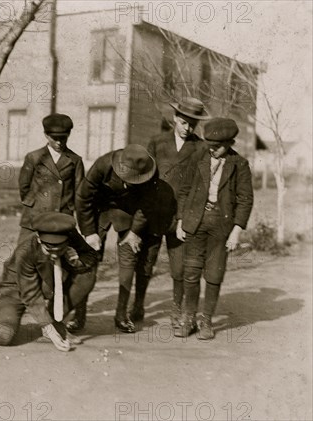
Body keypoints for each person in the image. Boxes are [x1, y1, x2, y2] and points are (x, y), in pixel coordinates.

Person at [75, 144, 176, 333]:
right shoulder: (103, 165)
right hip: (100, 209)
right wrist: (89, 233)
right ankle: (79, 315)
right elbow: (83, 197)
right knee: (89, 258)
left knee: (129, 259)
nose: (132, 182)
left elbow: (147, 205)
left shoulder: (150, 171)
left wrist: (135, 232)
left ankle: (121, 314)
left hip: (130, 212)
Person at [175, 118, 254, 340]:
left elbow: (245, 199)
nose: (212, 149)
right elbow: (184, 190)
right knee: (190, 272)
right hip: (194, 221)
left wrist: (237, 230)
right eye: (209, 144)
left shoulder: (240, 164)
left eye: (217, 146)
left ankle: (206, 321)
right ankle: (188, 319)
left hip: (221, 224)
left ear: (230, 143)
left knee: (214, 273)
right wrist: (181, 220)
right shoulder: (197, 158)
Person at [0, 212, 98, 352]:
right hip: (16, 289)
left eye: (59, 250)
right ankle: (6, 315)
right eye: (49, 250)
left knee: (87, 275)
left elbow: (90, 256)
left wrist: (77, 262)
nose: (54, 255)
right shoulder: (26, 250)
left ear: (67, 240)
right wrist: (49, 330)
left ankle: (54, 320)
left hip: (48, 284)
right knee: (2, 336)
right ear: (39, 240)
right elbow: (30, 294)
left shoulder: (71, 236)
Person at [147, 97, 208, 327]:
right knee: (146, 262)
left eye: (193, 124)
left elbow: (199, 185)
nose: (188, 128)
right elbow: (146, 176)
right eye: (183, 123)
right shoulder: (157, 142)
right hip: (154, 213)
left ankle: (177, 309)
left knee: (179, 267)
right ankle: (136, 306)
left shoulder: (201, 147)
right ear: (175, 119)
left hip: (181, 216)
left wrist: (185, 217)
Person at [17, 113, 84, 245]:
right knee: (23, 255)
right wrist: (34, 203)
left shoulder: (75, 160)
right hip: (35, 215)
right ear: (46, 135)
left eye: (63, 138)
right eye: (55, 138)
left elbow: (79, 191)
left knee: (61, 255)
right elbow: (24, 186)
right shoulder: (34, 157)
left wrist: (70, 208)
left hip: (62, 216)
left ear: (68, 135)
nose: (59, 142)